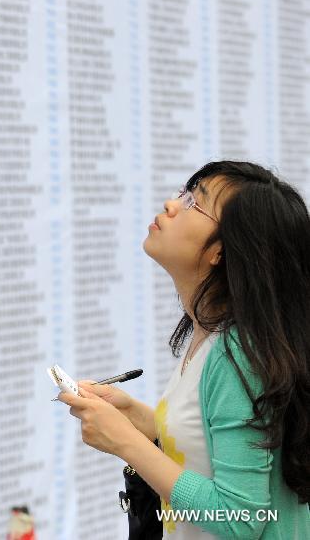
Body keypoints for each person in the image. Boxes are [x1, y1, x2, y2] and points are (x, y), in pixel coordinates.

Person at [57, 161, 310, 538]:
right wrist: (141, 420)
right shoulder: (212, 337)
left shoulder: (237, 353)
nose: (171, 204)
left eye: (194, 202)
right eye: (182, 193)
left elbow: (241, 519)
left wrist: (126, 443)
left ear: (222, 252)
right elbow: (211, 440)